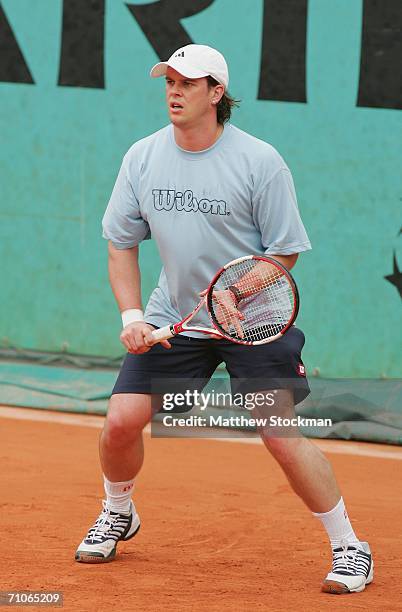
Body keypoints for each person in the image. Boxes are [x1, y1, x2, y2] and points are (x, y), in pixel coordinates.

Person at [75, 44, 373, 594]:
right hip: (178, 316)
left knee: (278, 433)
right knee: (119, 422)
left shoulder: (260, 162)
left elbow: (284, 251)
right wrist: (135, 316)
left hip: (251, 323)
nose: (174, 92)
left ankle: (350, 546)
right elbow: (121, 244)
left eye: (188, 84)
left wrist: (238, 291)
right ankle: (119, 511)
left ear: (217, 94)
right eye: (169, 81)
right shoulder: (142, 157)